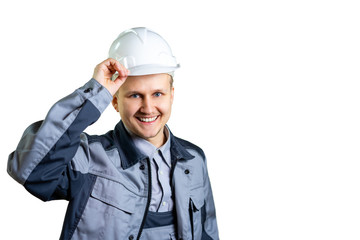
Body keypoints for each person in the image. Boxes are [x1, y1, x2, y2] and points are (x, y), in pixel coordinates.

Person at [7, 27, 219, 240]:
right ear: (115, 101)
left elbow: (208, 233)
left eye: (157, 94)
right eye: (135, 95)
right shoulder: (89, 158)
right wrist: (96, 91)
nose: (148, 107)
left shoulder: (194, 159)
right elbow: (32, 171)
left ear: (171, 95)